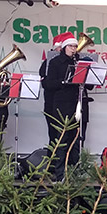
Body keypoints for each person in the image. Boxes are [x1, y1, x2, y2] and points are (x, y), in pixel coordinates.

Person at [42, 32, 82, 180]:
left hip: (75, 104)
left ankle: (73, 171)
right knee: (61, 139)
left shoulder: (78, 62)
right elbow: (48, 84)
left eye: (75, 46)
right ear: (65, 47)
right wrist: (64, 81)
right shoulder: (55, 62)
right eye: (71, 46)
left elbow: (88, 84)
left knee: (75, 139)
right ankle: (59, 174)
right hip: (61, 105)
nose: (74, 49)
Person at [40, 33, 65, 151]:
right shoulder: (47, 63)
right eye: (60, 48)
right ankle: (52, 160)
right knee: (54, 136)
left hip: (67, 105)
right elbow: (45, 84)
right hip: (52, 105)